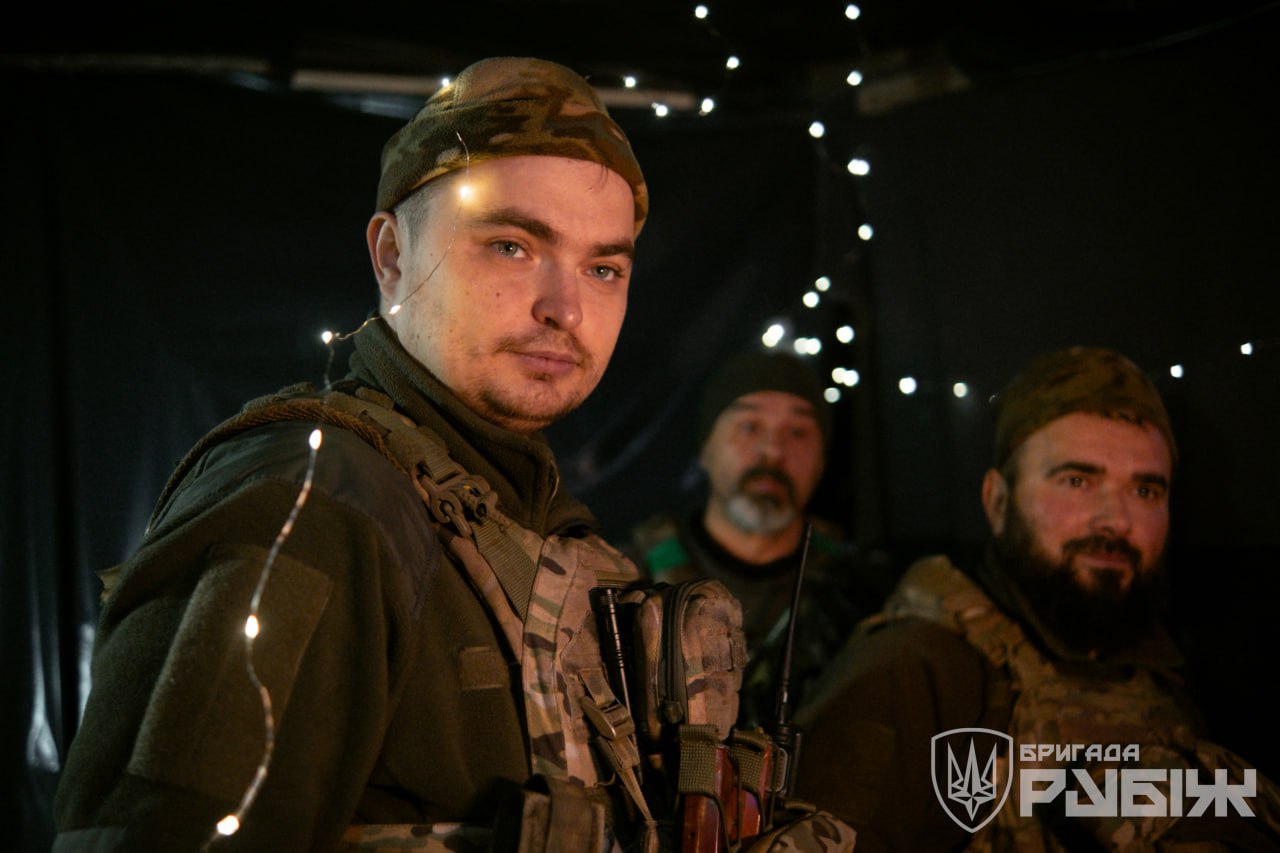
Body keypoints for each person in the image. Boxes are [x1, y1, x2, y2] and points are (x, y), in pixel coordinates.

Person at [52, 57, 655, 851]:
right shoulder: (310, 501)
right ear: (392, 256)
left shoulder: (535, 523)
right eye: (511, 245)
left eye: (603, 267)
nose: (565, 309)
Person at [794, 346, 1280, 851]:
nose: (1116, 520)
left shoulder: (1182, 673)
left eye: (1145, 491)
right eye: (1078, 481)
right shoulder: (913, 672)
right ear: (998, 501)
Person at [630, 350, 895, 730]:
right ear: (705, 448)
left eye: (798, 433)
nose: (773, 452)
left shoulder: (861, 596)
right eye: (750, 427)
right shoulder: (628, 583)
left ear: (821, 461)